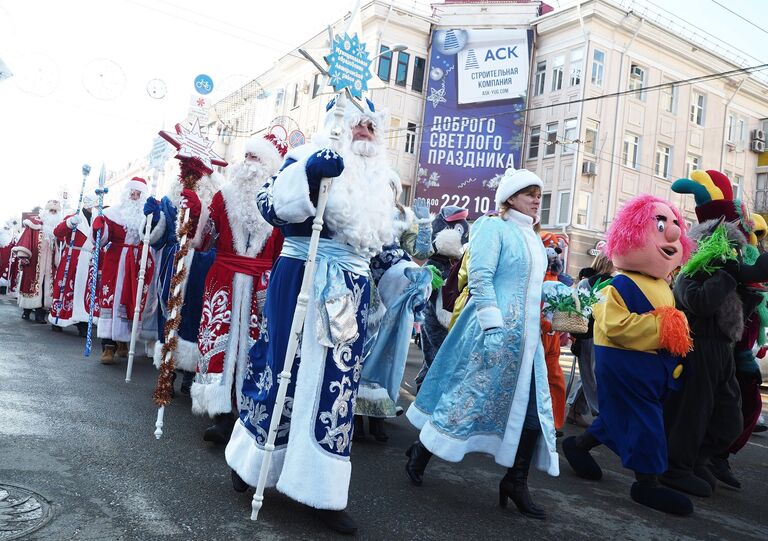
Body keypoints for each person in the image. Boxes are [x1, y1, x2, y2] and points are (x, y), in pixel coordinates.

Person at [225, 97, 395, 535]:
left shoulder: (382, 181)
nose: (365, 134)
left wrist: (404, 272)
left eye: (371, 128)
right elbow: (269, 207)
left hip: (349, 288)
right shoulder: (304, 157)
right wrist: (308, 176)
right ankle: (253, 464)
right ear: (337, 126)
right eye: (357, 126)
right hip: (302, 271)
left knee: (337, 381)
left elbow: (379, 244)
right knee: (282, 366)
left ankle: (321, 490)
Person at [405, 167, 559, 521]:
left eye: (538, 193)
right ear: (509, 198)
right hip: (491, 332)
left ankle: (515, 482)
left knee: (533, 414)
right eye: (529, 193)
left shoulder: (533, 235)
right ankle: (421, 451)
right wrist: (493, 324)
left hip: (526, 342)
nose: (537, 199)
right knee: (464, 400)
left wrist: (559, 301)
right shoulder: (494, 226)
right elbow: (481, 277)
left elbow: (529, 286)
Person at [562, 194, 696, 516]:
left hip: (649, 365)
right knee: (647, 422)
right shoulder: (615, 285)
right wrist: (662, 328)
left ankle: (577, 447)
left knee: (618, 419)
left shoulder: (662, 284)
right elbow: (616, 325)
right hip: (624, 364)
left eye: (675, 225)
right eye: (661, 225)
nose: (674, 234)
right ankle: (647, 483)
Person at [180, 136, 285, 443]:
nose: (250, 163)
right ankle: (221, 414)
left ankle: (248, 414)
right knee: (220, 343)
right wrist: (191, 215)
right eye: (248, 156)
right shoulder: (223, 195)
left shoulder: (282, 202)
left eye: (258, 158)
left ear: (270, 167)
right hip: (223, 278)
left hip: (263, 283)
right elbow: (203, 241)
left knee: (256, 348)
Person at [353, 179, 433, 442]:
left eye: (390, 186)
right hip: (366, 288)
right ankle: (354, 414)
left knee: (390, 352)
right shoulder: (358, 210)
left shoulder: (402, 216)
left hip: (397, 291)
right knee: (362, 349)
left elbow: (421, 251)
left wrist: (424, 224)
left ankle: (378, 416)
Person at [144, 169, 223, 397]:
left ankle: (191, 372)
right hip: (173, 261)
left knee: (195, 315)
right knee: (168, 313)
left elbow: (218, 237)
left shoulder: (216, 201)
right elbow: (157, 240)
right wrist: (153, 219)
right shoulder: (170, 201)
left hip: (202, 264)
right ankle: (167, 372)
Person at [92, 177, 162, 364]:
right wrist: (100, 226)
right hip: (115, 261)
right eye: (132, 192)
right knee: (111, 299)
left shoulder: (147, 216)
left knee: (131, 300)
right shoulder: (112, 213)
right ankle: (107, 346)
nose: (135, 195)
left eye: (139, 193)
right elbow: (103, 239)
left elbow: (155, 237)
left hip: (138, 262)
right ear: (126, 192)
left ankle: (123, 342)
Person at [414, 206, 469, 391]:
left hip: (451, 316)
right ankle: (427, 391)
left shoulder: (458, 262)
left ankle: (425, 384)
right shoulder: (434, 263)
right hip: (433, 316)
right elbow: (421, 289)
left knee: (441, 355)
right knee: (435, 354)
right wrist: (427, 278)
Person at [566, 256, 613, 428]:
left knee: (588, 374)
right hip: (597, 334)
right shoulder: (610, 283)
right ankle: (597, 413)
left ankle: (575, 411)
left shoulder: (584, 282)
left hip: (585, 333)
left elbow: (575, 308)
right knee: (591, 376)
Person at [48, 195, 98, 336]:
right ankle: (58, 318)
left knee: (85, 290)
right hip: (73, 257)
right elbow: (57, 232)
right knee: (66, 287)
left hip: (88, 259)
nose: (91, 207)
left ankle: (83, 322)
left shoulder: (98, 220)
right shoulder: (74, 217)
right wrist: (69, 223)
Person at [12, 200, 62, 323]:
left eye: (56, 211)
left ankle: (40, 314)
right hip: (34, 262)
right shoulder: (35, 224)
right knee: (31, 285)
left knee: (46, 288)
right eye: (51, 210)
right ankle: (26, 311)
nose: (53, 213)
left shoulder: (56, 228)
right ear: (46, 211)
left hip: (49, 266)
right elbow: (26, 239)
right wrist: (24, 255)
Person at [0, 219, 18, 295]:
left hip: (9, 259)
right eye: (5, 228)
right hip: (1, 258)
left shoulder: (13, 239)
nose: (6, 230)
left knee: (7, 271)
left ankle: (4, 287)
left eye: (8, 228)